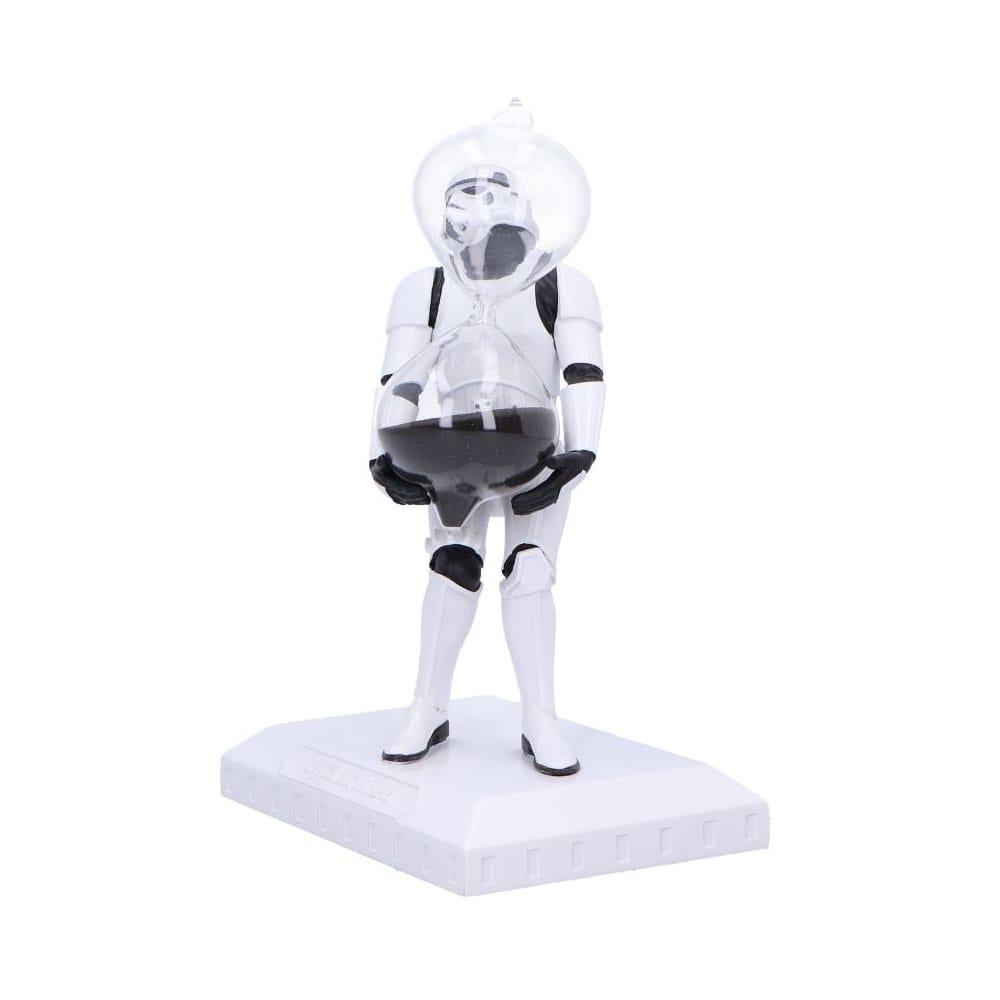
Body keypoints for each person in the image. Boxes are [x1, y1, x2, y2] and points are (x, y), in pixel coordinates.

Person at [370, 168, 605, 776]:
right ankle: (427, 705)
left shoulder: (562, 283)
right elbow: (400, 377)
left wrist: (580, 454)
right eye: (461, 201)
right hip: (451, 450)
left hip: (535, 448)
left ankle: (540, 716)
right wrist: (380, 450)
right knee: (451, 566)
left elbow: (581, 371)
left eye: (488, 198)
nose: (474, 213)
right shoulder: (425, 287)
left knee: (530, 569)